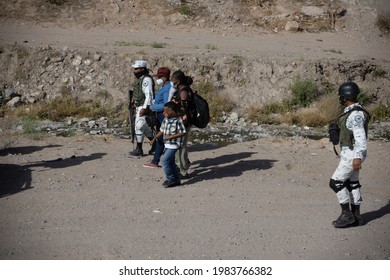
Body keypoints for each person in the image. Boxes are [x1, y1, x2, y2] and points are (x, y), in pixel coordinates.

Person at [329, 81, 370, 228]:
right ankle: (357, 217)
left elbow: (360, 138)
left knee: (336, 182)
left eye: (341, 95)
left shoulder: (356, 114)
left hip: (353, 154)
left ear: (346, 96)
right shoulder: (352, 112)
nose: (340, 98)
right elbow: (350, 133)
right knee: (352, 183)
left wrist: (357, 157)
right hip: (351, 152)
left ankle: (347, 214)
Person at [143, 67, 176, 168]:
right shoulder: (164, 86)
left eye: (160, 76)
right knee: (163, 139)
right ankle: (155, 160)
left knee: (162, 138)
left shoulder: (167, 88)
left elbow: (166, 104)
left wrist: (152, 107)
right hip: (161, 115)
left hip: (163, 115)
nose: (158, 78)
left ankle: (155, 161)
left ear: (165, 77)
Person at [150, 101, 186, 188]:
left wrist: (171, 136)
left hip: (174, 144)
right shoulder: (165, 120)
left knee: (165, 161)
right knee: (171, 162)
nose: (164, 112)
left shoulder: (178, 120)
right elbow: (161, 130)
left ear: (171, 110)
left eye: (166, 110)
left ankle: (170, 179)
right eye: (164, 110)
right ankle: (177, 180)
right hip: (167, 145)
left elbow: (183, 132)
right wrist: (154, 138)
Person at [128, 60, 155, 158]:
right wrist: (133, 101)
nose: (134, 71)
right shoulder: (139, 79)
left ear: (142, 69)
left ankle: (144, 146)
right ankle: (142, 147)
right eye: (134, 69)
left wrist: (145, 108)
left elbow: (149, 95)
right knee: (138, 127)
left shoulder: (146, 79)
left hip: (145, 106)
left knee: (139, 126)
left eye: (136, 69)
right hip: (138, 105)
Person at [170, 70, 194, 179]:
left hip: (183, 124)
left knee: (180, 147)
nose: (172, 82)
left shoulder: (183, 92)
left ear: (178, 81)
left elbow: (184, 110)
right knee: (180, 147)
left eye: (173, 80)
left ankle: (183, 171)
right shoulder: (184, 90)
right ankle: (182, 168)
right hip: (182, 123)